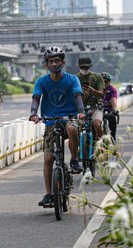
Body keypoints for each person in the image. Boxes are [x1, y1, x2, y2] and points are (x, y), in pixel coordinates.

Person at [29, 46, 85, 207]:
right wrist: (33, 113)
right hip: (51, 121)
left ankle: (74, 159)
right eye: (51, 61)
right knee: (48, 159)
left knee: (72, 129)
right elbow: (36, 98)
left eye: (57, 61)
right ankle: (48, 194)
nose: (54, 64)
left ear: (63, 62)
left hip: (70, 117)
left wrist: (80, 112)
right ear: (46, 64)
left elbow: (77, 96)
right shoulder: (42, 81)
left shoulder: (72, 79)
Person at [75, 57, 105, 141]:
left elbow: (101, 94)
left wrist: (92, 91)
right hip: (80, 109)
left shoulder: (97, 77)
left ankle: (97, 148)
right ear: (78, 66)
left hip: (95, 107)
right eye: (82, 67)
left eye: (86, 67)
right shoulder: (75, 78)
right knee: (75, 129)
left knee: (97, 125)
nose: (84, 69)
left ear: (91, 66)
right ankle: (79, 149)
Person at [101, 72, 119, 141]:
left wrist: (115, 110)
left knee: (112, 117)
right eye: (103, 82)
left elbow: (113, 100)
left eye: (106, 82)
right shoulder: (97, 89)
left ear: (109, 82)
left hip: (109, 108)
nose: (105, 84)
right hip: (99, 108)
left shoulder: (112, 89)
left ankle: (113, 138)